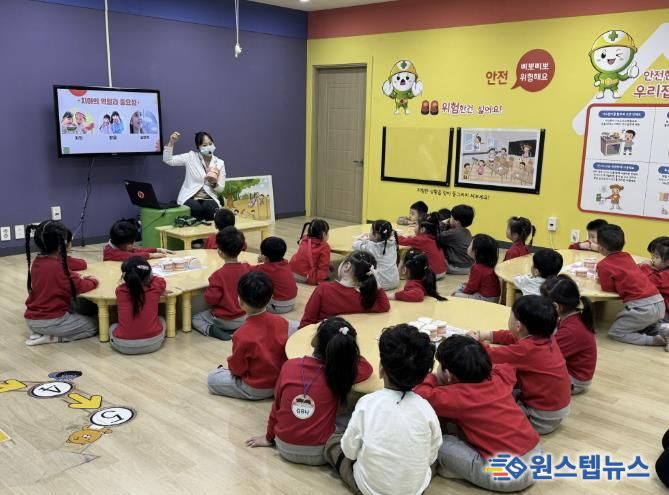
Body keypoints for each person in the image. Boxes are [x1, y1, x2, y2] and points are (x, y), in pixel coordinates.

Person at [323, 324, 442, 495]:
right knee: (430, 461)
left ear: (381, 370)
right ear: (423, 376)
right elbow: (431, 456)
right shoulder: (427, 409)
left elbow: (349, 451)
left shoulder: (367, 404)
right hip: (414, 490)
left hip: (369, 489)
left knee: (334, 442)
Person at [415, 335, 541, 492]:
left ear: (449, 376)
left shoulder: (458, 397)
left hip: (508, 475)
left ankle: (456, 469)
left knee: (440, 442)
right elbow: (507, 367)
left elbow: (421, 394)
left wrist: (433, 377)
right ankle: (461, 468)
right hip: (536, 456)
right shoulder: (501, 378)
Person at [245, 317, 373, 465]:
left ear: (314, 341)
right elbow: (367, 368)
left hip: (283, 447)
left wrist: (269, 437)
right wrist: (347, 354)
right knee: (354, 411)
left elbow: (277, 406)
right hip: (321, 452)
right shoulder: (341, 373)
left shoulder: (289, 366)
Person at [472, 295, 571, 434]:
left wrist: (474, 341)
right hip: (553, 409)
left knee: (487, 404)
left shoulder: (527, 350)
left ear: (518, 326)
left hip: (539, 418)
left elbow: (489, 355)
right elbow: (514, 336)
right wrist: (487, 335)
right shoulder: (546, 338)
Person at [206, 272, 288, 400]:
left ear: (240, 301)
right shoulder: (282, 322)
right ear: (270, 297)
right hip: (280, 381)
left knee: (212, 379)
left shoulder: (241, 335)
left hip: (255, 388)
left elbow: (237, 369)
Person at [24, 221, 99, 346]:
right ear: (62, 244)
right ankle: (52, 337)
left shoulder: (39, 260)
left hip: (33, 318)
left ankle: (41, 332)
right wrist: (93, 280)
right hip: (50, 321)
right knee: (95, 325)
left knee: (82, 306)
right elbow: (79, 286)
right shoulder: (57, 266)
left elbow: (71, 271)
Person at [596, 225, 666, 346]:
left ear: (601, 247)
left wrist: (600, 279)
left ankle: (653, 341)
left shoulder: (603, 265)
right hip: (659, 302)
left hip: (642, 308)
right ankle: (665, 332)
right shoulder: (627, 256)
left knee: (616, 332)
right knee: (647, 327)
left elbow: (607, 288)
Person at [299, 251, 390, 328]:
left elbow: (306, 322)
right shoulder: (365, 296)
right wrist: (378, 284)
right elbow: (384, 306)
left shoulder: (323, 289)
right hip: (346, 340)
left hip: (323, 337)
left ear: (347, 266)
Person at [541, 275, 597, 394]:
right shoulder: (571, 317)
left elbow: (544, 355)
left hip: (574, 380)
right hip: (569, 371)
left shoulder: (571, 330)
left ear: (556, 307)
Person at [192, 227, 250, 339]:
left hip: (225, 319)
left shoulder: (218, 275)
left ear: (219, 252)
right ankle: (238, 328)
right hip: (245, 316)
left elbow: (211, 299)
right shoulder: (246, 269)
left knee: (196, 318)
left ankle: (212, 330)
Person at [163, 131, 226, 221]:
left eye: (210, 144)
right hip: (190, 196)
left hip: (209, 197)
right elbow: (168, 160)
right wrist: (171, 142)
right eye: (204, 145)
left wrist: (214, 184)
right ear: (198, 147)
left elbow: (221, 189)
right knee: (196, 208)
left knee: (210, 209)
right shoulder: (190, 157)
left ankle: (210, 230)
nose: (208, 147)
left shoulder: (219, 163)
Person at [110, 256, 166, 355]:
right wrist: (151, 276)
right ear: (148, 276)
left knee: (112, 326)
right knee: (161, 319)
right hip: (153, 344)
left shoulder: (120, 291)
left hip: (123, 346)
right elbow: (161, 281)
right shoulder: (155, 288)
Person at [251, 236, 298, 314]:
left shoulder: (265, 268)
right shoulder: (286, 263)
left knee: (253, 283)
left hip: (277, 307)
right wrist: (266, 260)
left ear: (264, 255)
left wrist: (244, 263)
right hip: (291, 303)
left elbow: (249, 269)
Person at [352, 220, 400, 291]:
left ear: (375, 236)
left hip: (379, 284)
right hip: (394, 282)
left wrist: (363, 238)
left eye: (370, 230)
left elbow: (355, 245)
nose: (369, 233)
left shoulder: (371, 246)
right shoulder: (393, 243)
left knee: (361, 265)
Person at [452, 234, 500, 302]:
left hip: (486, 299)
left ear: (476, 251)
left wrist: (462, 293)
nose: (468, 246)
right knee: (462, 285)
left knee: (456, 295)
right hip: (492, 297)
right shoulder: (488, 265)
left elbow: (471, 288)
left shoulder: (477, 268)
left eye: (470, 244)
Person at [398, 212, 447, 279]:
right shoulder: (434, 237)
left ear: (422, 229)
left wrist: (395, 234)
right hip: (442, 271)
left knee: (407, 252)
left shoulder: (421, 240)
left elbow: (401, 241)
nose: (414, 227)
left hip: (432, 274)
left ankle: (402, 273)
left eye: (416, 224)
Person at [103, 219, 171, 261]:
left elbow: (136, 251)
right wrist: (151, 255)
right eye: (132, 242)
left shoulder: (118, 244)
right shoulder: (110, 252)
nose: (133, 244)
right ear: (124, 244)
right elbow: (132, 256)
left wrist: (157, 249)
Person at [290, 219, 331, 285]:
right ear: (324, 234)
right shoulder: (324, 247)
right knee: (328, 271)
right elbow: (324, 266)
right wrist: (320, 280)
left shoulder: (304, 238)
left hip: (292, 271)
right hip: (305, 276)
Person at [437, 204, 475, 275]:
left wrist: (442, 223)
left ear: (456, 221)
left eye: (451, 217)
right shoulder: (467, 231)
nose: (449, 219)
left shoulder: (453, 233)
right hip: (469, 266)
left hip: (457, 267)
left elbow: (436, 236)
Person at [640, 237, 669, 325]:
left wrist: (645, 267)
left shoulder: (666, 275)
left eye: (656, 257)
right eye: (652, 256)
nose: (652, 259)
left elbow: (647, 283)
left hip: (665, 314)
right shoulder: (663, 269)